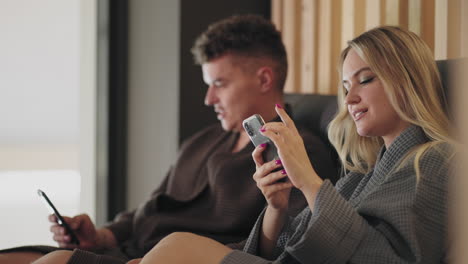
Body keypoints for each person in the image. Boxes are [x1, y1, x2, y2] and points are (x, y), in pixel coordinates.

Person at [0, 15, 338, 264]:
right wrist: (101, 236)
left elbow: (283, 244)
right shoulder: (203, 141)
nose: (208, 99)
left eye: (219, 83)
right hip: (125, 252)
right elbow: (152, 206)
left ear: (264, 78)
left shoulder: (300, 154)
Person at [126, 25, 455, 264]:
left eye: (365, 80)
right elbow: (283, 247)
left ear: (407, 81)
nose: (350, 98)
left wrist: (308, 181)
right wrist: (277, 206)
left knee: (177, 248)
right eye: (345, 86)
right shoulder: (363, 173)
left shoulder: (439, 161)